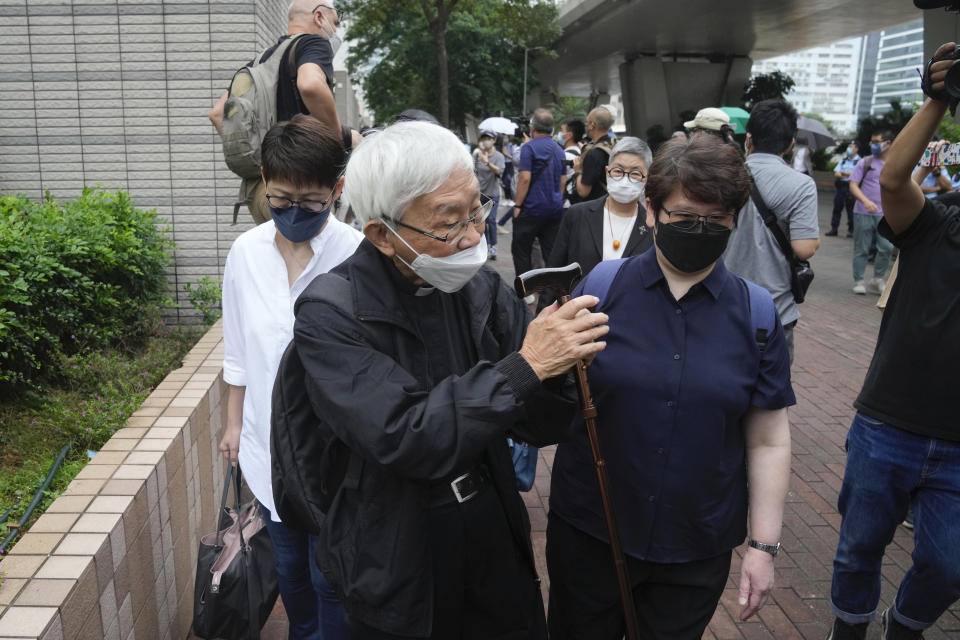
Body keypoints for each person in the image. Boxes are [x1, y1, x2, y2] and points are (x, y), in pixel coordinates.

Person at [291, 120, 609, 639]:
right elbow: (405, 434)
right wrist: (528, 366)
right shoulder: (330, 313)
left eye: (477, 209)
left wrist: (564, 371)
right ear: (382, 235)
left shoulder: (478, 287)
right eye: (448, 221)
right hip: (395, 542)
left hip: (490, 522)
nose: (474, 235)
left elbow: (537, 425)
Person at [547, 133, 794, 639]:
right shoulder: (600, 291)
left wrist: (763, 546)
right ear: (653, 212)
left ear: (733, 221)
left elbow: (768, 437)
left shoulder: (756, 314)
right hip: (592, 534)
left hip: (695, 549)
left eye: (715, 220)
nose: (698, 229)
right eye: (684, 217)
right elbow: (550, 398)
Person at [826, 41, 960, 640]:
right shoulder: (936, 227)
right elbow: (896, 177)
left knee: (948, 564)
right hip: (889, 426)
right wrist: (937, 100)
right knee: (858, 548)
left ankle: (904, 627)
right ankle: (849, 627)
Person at [219, 115, 362, 640]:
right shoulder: (245, 255)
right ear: (262, 178)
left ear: (337, 189)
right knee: (289, 570)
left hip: (334, 452)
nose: (293, 211)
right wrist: (233, 424)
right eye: (281, 198)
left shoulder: (356, 254)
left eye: (310, 202)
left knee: (331, 576)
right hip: (267, 450)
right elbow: (237, 349)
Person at [208, 0, 350, 224]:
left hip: (262, 193)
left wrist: (263, 160)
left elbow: (217, 113)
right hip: (302, 194)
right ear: (319, 17)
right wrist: (337, 142)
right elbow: (310, 85)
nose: (336, 31)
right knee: (321, 257)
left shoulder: (259, 61)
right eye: (335, 22)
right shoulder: (313, 44)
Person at [724, 99, 820, 364]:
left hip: (723, 305)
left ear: (749, 139)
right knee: (770, 399)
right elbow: (804, 248)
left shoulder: (724, 176)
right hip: (774, 311)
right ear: (790, 144)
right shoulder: (801, 185)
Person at [548, 136, 654, 276]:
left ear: (647, 177)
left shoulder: (653, 224)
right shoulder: (578, 215)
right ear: (607, 172)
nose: (624, 179)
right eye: (618, 171)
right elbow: (554, 271)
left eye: (635, 173)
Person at [511, 108, 567, 278]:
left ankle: (526, 291)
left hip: (531, 208)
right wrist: (556, 198)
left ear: (532, 127)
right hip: (555, 209)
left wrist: (518, 205)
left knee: (521, 249)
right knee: (550, 251)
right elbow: (563, 181)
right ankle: (552, 289)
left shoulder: (529, 148)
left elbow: (525, 178)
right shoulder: (559, 150)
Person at [848, 130, 895, 295]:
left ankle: (878, 279)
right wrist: (866, 201)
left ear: (888, 143)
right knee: (862, 248)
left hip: (886, 214)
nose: (873, 145)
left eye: (876, 142)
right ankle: (859, 280)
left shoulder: (895, 164)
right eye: (872, 142)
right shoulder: (865, 162)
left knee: (886, 247)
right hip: (863, 212)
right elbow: (853, 184)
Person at [473, 129, 505, 260]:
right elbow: (472, 171)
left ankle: (493, 246)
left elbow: (499, 172)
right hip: (480, 194)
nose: (486, 140)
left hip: (493, 194)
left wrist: (487, 162)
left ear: (494, 141)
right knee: (481, 221)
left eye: (489, 138)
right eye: (484, 138)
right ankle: (484, 246)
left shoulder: (499, 156)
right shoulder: (477, 154)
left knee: (491, 220)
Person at [573, 107, 615, 202]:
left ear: (592, 125)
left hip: (598, 207)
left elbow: (583, 192)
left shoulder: (594, 154)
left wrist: (578, 171)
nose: (586, 126)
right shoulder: (614, 145)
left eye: (587, 123)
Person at [828, 141, 861, 237]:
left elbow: (856, 175)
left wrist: (844, 173)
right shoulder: (844, 160)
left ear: (856, 149)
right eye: (848, 146)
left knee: (851, 210)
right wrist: (848, 174)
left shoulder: (860, 162)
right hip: (841, 186)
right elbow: (836, 173)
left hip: (851, 187)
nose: (849, 148)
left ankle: (851, 230)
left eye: (851, 146)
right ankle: (834, 229)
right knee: (837, 208)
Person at [559, 117, 586, 209]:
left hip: (564, 205)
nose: (559, 134)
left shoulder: (564, 156)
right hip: (574, 203)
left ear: (569, 135)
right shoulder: (580, 153)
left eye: (562, 131)